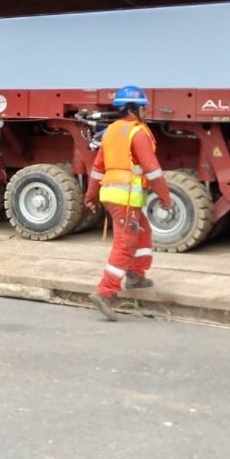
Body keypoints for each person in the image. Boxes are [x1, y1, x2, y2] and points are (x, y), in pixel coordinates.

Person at [82, 86, 173, 321]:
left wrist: (90, 195)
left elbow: (97, 168)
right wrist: (165, 196)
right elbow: (152, 170)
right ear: (136, 109)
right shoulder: (138, 132)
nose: (147, 111)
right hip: (126, 197)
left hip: (113, 194)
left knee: (142, 231)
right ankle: (105, 291)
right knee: (126, 241)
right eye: (144, 107)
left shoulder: (110, 131)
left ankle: (135, 274)